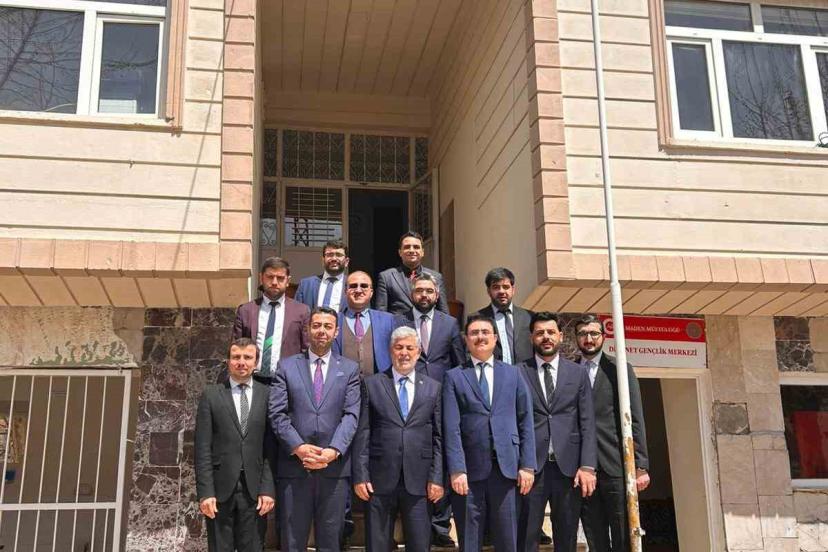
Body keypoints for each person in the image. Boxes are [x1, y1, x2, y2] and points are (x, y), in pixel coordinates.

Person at [268, 307, 361, 552]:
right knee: (292, 542)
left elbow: (351, 415)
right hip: (295, 469)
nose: (322, 331)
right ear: (307, 329)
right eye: (316, 325)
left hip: (333, 470)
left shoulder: (349, 369)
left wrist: (333, 450)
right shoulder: (286, 366)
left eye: (328, 326)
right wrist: (298, 447)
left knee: (331, 542)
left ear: (336, 332)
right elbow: (277, 413)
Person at [442, 314, 536, 552]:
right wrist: (457, 469)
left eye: (485, 332)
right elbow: (451, 427)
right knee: (469, 540)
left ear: (495, 338)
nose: (480, 337)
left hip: (507, 470)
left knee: (507, 540)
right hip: (469, 472)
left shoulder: (513, 374)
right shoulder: (454, 376)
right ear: (466, 340)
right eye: (474, 333)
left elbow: (526, 420)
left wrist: (527, 466)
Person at [352, 327, 444, 552]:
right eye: (399, 347)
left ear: (418, 352)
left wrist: (437, 477)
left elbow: (439, 437)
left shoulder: (433, 387)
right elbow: (363, 432)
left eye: (410, 348)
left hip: (420, 480)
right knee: (377, 545)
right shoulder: (372, 384)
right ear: (390, 350)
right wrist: (361, 475)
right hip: (378, 480)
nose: (404, 353)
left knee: (420, 544)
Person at [517, 312, 597, 552]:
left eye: (551, 332)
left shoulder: (577, 373)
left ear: (560, 336)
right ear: (531, 337)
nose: (546, 337)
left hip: (569, 470)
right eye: (540, 333)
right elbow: (513, 421)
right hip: (532, 470)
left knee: (567, 537)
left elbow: (587, 421)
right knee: (526, 537)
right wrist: (521, 463)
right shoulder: (518, 372)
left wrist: (587, 466)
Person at [395, 272, 463, 547]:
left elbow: (458, 363)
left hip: (441, 397)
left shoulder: (450, 323)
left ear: (437, 295)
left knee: (441, 455)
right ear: (411, 294)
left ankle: (440, 525)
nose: (424, 295)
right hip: (407, 397)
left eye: (429, 291)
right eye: (419, 290)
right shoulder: (398, 321)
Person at [576, 314, 650, 552]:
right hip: (582, 470)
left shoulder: (619, 369)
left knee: (623, 534)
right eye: (583, 334)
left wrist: (640, 465)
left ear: (603, 337)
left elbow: (634, 418)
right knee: (594, 535)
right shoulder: (569, 371)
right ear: (576, 338)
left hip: (615, 465)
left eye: (593, 333)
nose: (588, 339)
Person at [195, 338, 275, 552]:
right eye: (236, 357)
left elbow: (271, 448)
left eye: (247, 357)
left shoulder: (267, 395)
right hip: (219, 491)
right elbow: (202, 448)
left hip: (254, 492)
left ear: (256, 363)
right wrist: (205, 492)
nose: (241, 362)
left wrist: (268, 489)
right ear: (228, 362)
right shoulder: (211, 395)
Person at [233, 257, 310, 381]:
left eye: (280, 278)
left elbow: (306, 349)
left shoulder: (301, 311)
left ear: (288, 281)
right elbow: (236, 348)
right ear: (261, 278)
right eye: (270, 277)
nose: (274, 282)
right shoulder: (246, 310)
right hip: (252, 379)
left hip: (287, 381)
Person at [332, 271, 398, 376]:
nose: (358, 290)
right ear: (345, 291)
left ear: (371, 292)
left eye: (364, 286)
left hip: (379, 382)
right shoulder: (334, 320)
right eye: (353, 286)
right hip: (343, 383)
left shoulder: (388, 320)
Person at [375, 231, 449, 315]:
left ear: (422, 252)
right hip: (397, 323)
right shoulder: (387, 277)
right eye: (407, 247)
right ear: (400, 252)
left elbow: (443, 313)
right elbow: (381, 314)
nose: (412, 250)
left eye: (416, 247)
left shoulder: (436, 277)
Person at [472, 267, 533, 365]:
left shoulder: (529, 317)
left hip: (524, 373)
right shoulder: (477, 318)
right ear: (488, 291)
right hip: (492, 373)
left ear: (513, 290)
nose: (501, 291)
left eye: (506, 287)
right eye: (496, 287)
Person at [294, 239, 349, 312]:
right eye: (329, 255)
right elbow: (297, 313)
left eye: (339, 255)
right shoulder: (306, 285)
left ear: (346, 261)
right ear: (323, 260)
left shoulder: (353, 285)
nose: (334, 258)